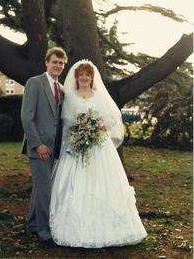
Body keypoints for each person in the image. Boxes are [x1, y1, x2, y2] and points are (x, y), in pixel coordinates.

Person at [50, 60, 147, 248]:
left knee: (104, 185)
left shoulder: (99, 95)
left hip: (99, 147)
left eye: (87, 75)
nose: (84, 78)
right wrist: (80, 131)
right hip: (76, 147)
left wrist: (97, 128)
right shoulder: (69, 96)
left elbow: (111, 118)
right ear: (76, 77)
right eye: (81, 75)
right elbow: (67, 121)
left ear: (91, 78)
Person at [21, 47, 67, 243]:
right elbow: (26, 117)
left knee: (39, 188)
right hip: (39, 147)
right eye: (54, 62)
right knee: (45, 190)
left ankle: (32, 224)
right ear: (46, 62)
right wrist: (37, 144)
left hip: (54, 147)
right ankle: (44, 232)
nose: (58, 66)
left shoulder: (62, 88)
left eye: (61, 63)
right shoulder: (35, 83)